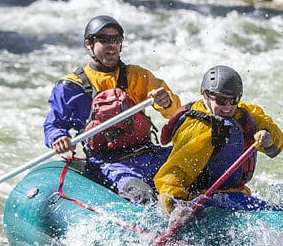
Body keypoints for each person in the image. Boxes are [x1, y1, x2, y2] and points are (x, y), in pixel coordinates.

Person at [43, 14, 181, 203]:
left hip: (149, 153)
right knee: (143, 195)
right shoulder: (71, 86)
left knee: (200, 168)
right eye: (104, 39)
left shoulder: (137, 75)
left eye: (116, 40)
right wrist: (58, 138)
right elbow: (53, 124)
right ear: (88, 44)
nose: (111, 45)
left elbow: (173, 111)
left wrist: (165, 101)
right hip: (109, 163)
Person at [154, 65, 283, 224]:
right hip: (201, 198)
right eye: (221, 100)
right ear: (206, 96)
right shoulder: (199, 128)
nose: (228, 107)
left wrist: (269, 138)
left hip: (234, 194)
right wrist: (175, 205)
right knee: (274, 214)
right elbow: (173, 172)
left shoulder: (242, 112)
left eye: (233, 99)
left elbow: (274, 137)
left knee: (275, 210)